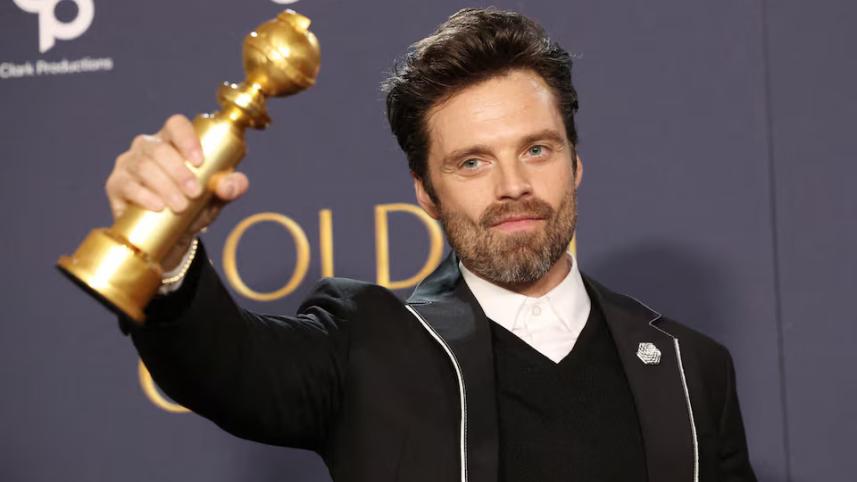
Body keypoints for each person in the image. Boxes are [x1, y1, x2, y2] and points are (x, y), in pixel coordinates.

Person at [107, 8, 756, 482]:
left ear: (575, 164)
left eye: (536, 149)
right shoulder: (364, 343)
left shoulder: (689, 368)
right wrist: (164, 249)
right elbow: (224, 368)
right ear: (424, 192)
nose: (513, 187)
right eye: (471, 163)